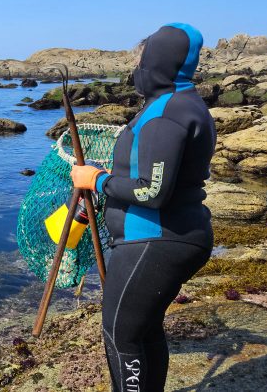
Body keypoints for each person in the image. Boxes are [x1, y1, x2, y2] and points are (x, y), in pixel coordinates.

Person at [70, 23, 216, 392]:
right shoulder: (179, 103)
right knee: (145, 330)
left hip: (155, 239)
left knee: (121, 336)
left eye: (139, 61)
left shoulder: (167, 114)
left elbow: (152, 192)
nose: (134, 70)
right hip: (166, 237)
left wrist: (96, 181)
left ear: (155, 62)